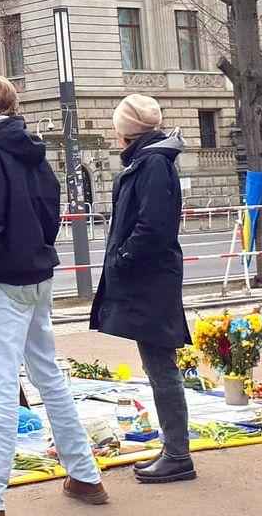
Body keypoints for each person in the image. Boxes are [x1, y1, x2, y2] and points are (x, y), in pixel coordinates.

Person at [0, 76, 108, 516]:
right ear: (12, 107)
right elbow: (50, 208)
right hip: (39, 272)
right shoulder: (35, 151)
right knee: (48, 374)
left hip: (5, 279)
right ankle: (85, 475)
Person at [89, 94, 194, 485]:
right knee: (156, 365)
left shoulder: (151, 164)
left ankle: (178, 454)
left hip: (151, 280)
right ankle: (174, 449)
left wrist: (124, 257)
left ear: (126, 131)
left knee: (161, 366)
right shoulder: (149, 161)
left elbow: (151, 224)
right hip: (150, 278)